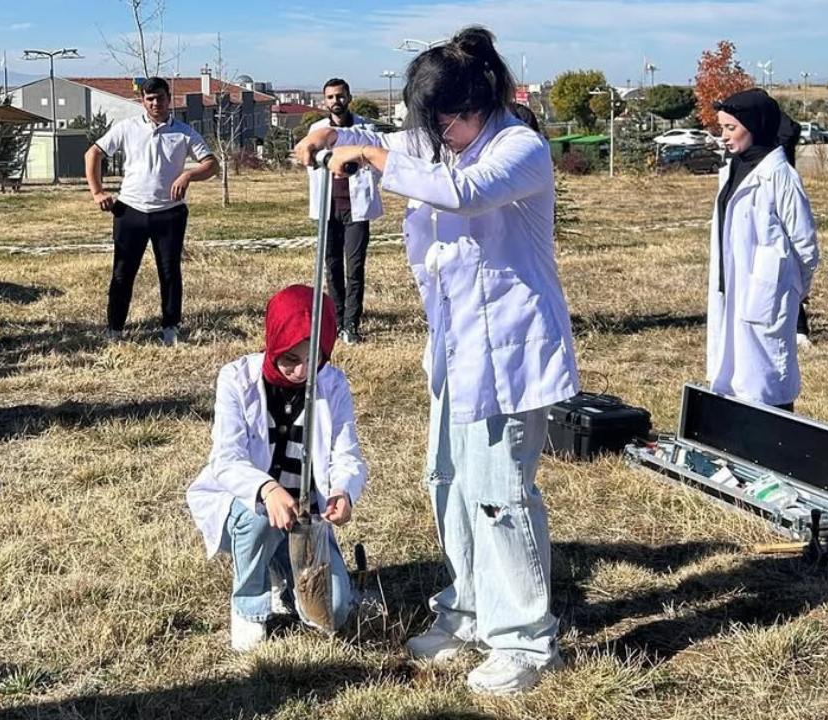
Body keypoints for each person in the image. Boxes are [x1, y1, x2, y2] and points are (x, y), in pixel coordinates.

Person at [295, 26, 579, 695]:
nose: (431, 136)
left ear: (470, 108)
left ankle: (528, 642)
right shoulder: (443, 139)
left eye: (439, 123)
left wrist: (367, 152)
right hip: (456, 349)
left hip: (512, 351)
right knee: (447, 480)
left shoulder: (519, 148)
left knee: (501, 497)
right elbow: (392, 147)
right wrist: (325, 138)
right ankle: (472, 608)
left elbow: (466, 192)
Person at [186, 285, 366, 651]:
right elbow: (226, 459)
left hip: (304, 519)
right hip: (248, 509)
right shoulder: (236, 380)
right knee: (258, 515)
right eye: (290, 359)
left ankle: (285, 575)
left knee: (331, 614)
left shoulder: (334, 385)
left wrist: (342, 490)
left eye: (312, 359)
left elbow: (346, 455)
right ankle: (250, 603)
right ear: (273, 342)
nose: (301, 371)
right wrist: (267, 489)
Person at [85, 77, 219, 346]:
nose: (155, 103)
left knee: (169, 272)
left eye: (160, 98)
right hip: (130, 211)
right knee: (122, 273)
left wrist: (188, 175)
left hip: (169, 214)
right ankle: (115, 330)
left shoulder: (184, 132)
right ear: (142, 101)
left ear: (169, 99)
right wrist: (97, 191)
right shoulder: (127, 128)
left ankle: (170, 328)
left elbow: (212, 165)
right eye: (150, 99)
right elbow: (93, 154)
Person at [708, 88, 819, 412]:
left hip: (767, 291)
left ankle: (778, 440)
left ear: (755, 125)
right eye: (722, 129)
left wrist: (796, 287)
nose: (724, 137)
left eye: (731, 128)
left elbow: (805, 243)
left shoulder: (780, 175)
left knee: (767, 375)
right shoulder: (733, 169)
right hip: (733, 285)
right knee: (735, 369)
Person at [307, 78, 384, 345]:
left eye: (340, 96)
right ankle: (337, 319)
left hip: (355, 208)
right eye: (330, 97)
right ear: (324, 101)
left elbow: (376, 162)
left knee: (355, 267)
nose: (335, 101)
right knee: (332, 267)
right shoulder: (316, 130)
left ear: (349, 97)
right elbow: (309, 160)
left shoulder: (366, 128)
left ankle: (352, 324)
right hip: (327, 208)